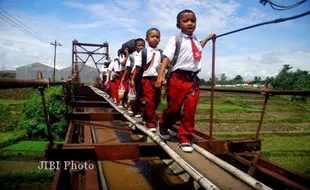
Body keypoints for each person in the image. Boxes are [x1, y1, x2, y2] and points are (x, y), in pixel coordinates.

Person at [155, 10, 215, 152]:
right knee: (174, 109)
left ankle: (185, 138)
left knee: (190, 110)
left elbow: (198, 48)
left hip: (193, 80)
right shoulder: (176, 39)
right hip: (177, 78)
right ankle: (163, 124)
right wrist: (161, 75)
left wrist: (208, 38)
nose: (190, 23)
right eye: (185, 21)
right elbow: (167, 57)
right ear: (178, 24)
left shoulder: (195, 40)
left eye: (192, 20)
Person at [131, 28, 162, 131]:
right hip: (147, 79)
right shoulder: (143, 52)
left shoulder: (160, 53)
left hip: (157, 79)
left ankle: (146, 116)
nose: (155, 39)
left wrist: (163, 78)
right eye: (152, 36)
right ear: (147, 39)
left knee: (157, 100)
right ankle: (150, 122)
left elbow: (161, 68)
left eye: (157, 37)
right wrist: (132, 79)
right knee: (150, 100)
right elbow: (138, 67)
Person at [121, 38, 145, 116]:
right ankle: (131, 107)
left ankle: (137, 109)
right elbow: (128, 67)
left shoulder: (145, 54)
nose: (141, 47)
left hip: (142, 75)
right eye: (139, 45)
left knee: (140, 93)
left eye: (143, 45)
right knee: (133, 93)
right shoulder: (131, 56)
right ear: (135, 47)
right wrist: (125, 77)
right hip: (133, 75)